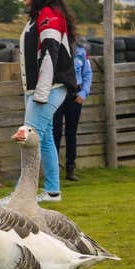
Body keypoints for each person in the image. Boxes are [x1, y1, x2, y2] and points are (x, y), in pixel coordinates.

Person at [18, 0, 77, 202]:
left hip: (49, 89)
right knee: (45, 138)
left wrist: (40, 95)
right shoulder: (39, 15)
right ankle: (52, 191)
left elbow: (50, 55)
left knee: (28, 138)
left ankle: (21, 196)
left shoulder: (49, 14)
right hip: (38, 89)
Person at [52, 37, 92, 181]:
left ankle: (70, 169)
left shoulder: (81, 53)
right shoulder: (54, 51)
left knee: (71, 133)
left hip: (75, 96)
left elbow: (87, 74)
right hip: (57, 94)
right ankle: (53, 171)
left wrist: (83, 93)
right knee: (55, 132)